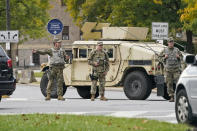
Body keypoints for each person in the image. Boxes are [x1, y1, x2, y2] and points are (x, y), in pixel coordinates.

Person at [161, 37, 182, 102]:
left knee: (178, 83)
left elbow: (182, 58)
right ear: (168, 43)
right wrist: (164, 58)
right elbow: (159, 58)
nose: (171, 43)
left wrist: (179, 57)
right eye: (170, 42)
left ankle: (179, 95)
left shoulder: (177, 50)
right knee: (169, 84)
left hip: (176, 70)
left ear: (173, 43)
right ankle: (171, 97)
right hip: (168, 70)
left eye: (172, 42)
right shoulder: (165, 50)